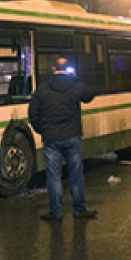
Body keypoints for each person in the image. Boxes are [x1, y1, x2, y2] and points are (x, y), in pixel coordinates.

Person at [29, 57, 98, 221]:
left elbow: (33, 114)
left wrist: (43, 130)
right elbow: (89, 95)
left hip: (51, 138)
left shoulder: (43, 89)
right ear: (68, 69)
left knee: (53, 176)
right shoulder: (75, 85)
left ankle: (56, 211)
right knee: (75, 174)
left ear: (52, 68)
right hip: (72, 137)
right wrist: (75, 78)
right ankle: (79, 209)